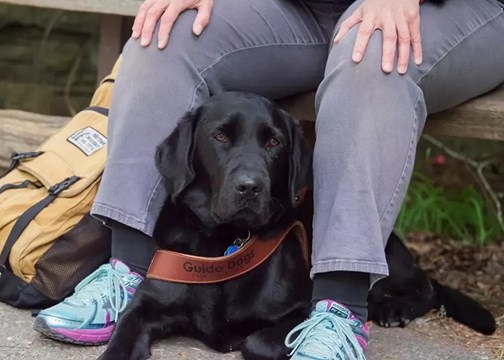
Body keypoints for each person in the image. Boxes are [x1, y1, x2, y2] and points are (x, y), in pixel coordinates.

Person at [34, 0, 504, 358]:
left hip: (446, 11)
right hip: (299, 9)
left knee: (375, 56)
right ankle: (128, 274)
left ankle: (337, 311)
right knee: (166, 35)